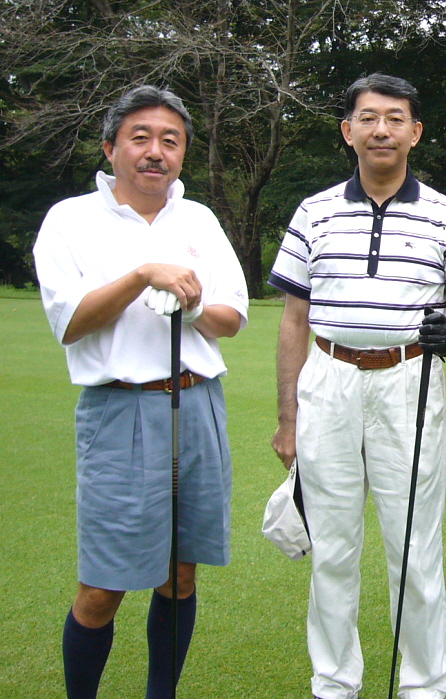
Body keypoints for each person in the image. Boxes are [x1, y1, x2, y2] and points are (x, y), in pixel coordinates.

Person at [269, 73, 446, 699]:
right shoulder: (313, 212)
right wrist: (288, 419)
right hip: (328, 379)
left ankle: (425, 684)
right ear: (348, 131)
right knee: (333, 547)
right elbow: (294, 321)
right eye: (368, 118)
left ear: (415, 132)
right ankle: (334, 681)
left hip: (409, 379)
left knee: (414, 545)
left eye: (395, 119)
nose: (381, 130)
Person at [32, 85, 249, 698]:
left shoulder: (199, 219)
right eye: (140, 137)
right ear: (110, 148)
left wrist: (193, 303)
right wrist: (143, 275)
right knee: (102, 587)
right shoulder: (70, 220)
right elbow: (70, 323)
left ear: (183, 153)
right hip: (119, 407)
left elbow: (231, 318)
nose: (156, 151)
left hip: (198, 402)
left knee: (181, 575)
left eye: (170, 140)